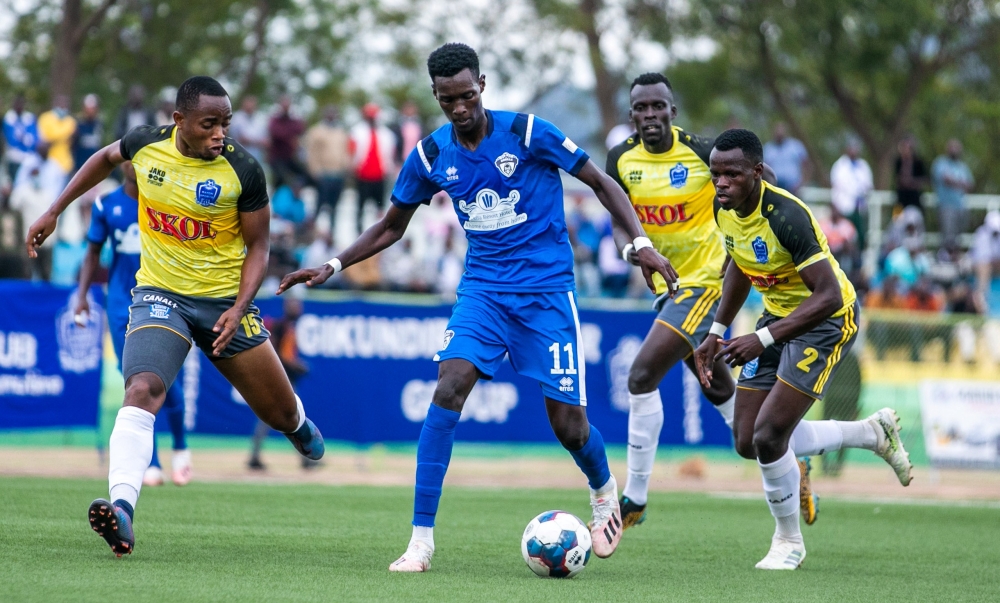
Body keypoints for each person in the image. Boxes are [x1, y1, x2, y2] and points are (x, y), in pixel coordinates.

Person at [278, 43, 677, 572]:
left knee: (569, 426)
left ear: (482, 85)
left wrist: (638, 244)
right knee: (449, 386)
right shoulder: (430, 154)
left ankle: (603, 488)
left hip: (545, 294)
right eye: (448, 99)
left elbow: (601, 183)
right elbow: (392, 225)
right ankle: (420, 540)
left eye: (467, 95)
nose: (460, 106)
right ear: (437, 97)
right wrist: (331, 264)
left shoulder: (528, 132)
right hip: (483, 293)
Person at [25, 76, 325, 558]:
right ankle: (122, 510)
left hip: (226, 302)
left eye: (225, 123)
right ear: (179, 121)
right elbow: (104, 158)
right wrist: (56, 209)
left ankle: (297, 425)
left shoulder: (243, 170)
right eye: (209, 124)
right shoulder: (147, 144)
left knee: (279, 412)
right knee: (142, 389)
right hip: (160, 294)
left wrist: (238, 306)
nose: (219, 134)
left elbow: (260, 246)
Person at [606, 73, 819, 530]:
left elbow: (767, 184)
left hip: (705, 283)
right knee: (718, 388)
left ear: (672, 110)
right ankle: (799, 458)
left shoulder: (703, 152)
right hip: (668, 290)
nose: (649, 115)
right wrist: (634, 249)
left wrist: (746, 244)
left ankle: (634, 500)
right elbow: (618, 216)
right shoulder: (621, 159)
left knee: (641, 374)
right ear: (631, 114)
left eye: (657, 106)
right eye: (640, 107)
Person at [694, 129, 912, 570]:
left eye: (731, 174)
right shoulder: (724, 208)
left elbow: (829, 295)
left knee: (771, 435)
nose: (721, 183)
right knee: (746, 439)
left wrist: (764, 337)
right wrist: (717, 329)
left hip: (826, 321)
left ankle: (788, 542)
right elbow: (739, 262)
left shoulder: (787, 216)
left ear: (756, 172)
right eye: (715, 173)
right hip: (777, 318)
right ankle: (871, 433)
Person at [75, 161, 192, 486]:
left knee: (168, 381)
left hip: (162, 300)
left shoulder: (167, 200)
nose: (134, 164)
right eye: (128, 156)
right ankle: (151, 462)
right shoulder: (106, 204)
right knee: (136, 382)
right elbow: (93, 253)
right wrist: (82, 295)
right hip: (121, 303)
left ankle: (181, 445)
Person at [247, 295, 311, 470]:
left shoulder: (288, 327)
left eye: (298, 305)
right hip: (280, 379)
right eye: (293, 305)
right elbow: (280, 356)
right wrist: (299, 366)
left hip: (284, 378)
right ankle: (306, 458)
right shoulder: (281, 327)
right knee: (290, 417)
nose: (297, 308)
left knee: (277, 418)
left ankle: (255, 456)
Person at [10, 142, 65, 280]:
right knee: (26, 273)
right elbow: (13, 205)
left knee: (46, 273)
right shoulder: (24, 190)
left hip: (47, 241)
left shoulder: (50, 192)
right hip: (27, 238)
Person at [350, 103, 397, 235]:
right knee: (360, 206)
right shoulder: (357, 132)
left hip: (380, 176)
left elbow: (390, 154)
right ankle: (358, 232)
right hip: (362, 176)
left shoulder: (386, 134)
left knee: (380, 206)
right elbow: (352, 152)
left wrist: (390, 169)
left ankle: (380, 232)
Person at [304, 105, 351, 217]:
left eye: (334, 113)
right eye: (329, 113)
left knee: (334, 205)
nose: (332, 116)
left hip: (338, 173)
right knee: (320, 204)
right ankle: (315, 229)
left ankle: (331, 231)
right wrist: (315, 170)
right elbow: (311, 153)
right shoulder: (316, 131)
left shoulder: (341, 131)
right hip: (323, 173)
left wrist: (346, 167)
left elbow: (345, 151)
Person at [829, 138, 872, 249]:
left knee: (861, 237)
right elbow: (836, 188)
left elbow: (868, 186)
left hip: (860, 207)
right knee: (846, 237)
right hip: (845, 207)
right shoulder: (839, 166)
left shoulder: (863, 166)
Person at [931, 139, 974, 249]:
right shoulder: (940, 163)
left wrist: (955, 182)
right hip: (946, 206)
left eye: (957, 147)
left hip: (960, 206)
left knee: (958, 237)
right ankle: (945, 259)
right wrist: (960, 183)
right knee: (947, 236)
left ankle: (954, 259)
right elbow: (946, 179)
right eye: (952, 147)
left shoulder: (962, 166)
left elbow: (970, 185)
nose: (954, 150)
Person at [268, 94, 308, 187]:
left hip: (289, 157)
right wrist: (290, 135)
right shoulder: (274, 119)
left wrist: (287, 133)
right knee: (280, 179)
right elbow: (276, 133)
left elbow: (301, 128)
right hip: (276, 158)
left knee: (303, 174)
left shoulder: (293, 119)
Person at [762, 122, 809, 194]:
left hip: (793, 186)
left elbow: (806, 166)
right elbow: (764, 169)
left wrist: (802, 183)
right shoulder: (768, 148)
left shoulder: (796, 146)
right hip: (775, 186)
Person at [2, 93, 38, 184]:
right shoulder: (9, 118)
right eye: (17, 104)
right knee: (13, 182)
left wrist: (23, 138)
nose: (19, 106)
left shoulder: (29, 117)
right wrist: (25, 138)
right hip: (13, 158)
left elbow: (33, 138)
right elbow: (12, 140)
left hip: (28, 157)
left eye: (21, 104)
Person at [37, 94, 77, 175]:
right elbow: (45, 142)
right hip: (48, 161)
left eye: (65, 106)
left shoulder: (71, 121)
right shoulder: (45, 118)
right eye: (61, 105)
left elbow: (72, 141)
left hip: (66, 164)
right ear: (55, 104)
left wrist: (55, 138)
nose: (63, 108)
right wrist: (64, 136)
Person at [893, 136, 929, 214]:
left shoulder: (918, 162)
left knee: (915, 218)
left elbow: (924, 178)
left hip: (914, 196)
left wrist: (912, 182)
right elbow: (897, 178)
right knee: (898, 219)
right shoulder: (898, 161)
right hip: (901, 195)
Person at [229, 96, 269, 164]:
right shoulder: (237, 118)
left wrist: (252, 141)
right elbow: (241, 138)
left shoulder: (260, 118)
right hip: (240, 153)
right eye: (248, 103)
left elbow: (265, 140)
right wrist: (258, 142)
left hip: (257, 154)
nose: (250, 106)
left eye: (252, 104)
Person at [73, 94, 104, 172]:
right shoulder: (78, 124)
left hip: (94, 167)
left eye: (93, 108)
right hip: (79, 167)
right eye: (88, 108)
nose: (90, 111)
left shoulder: (99, 125)